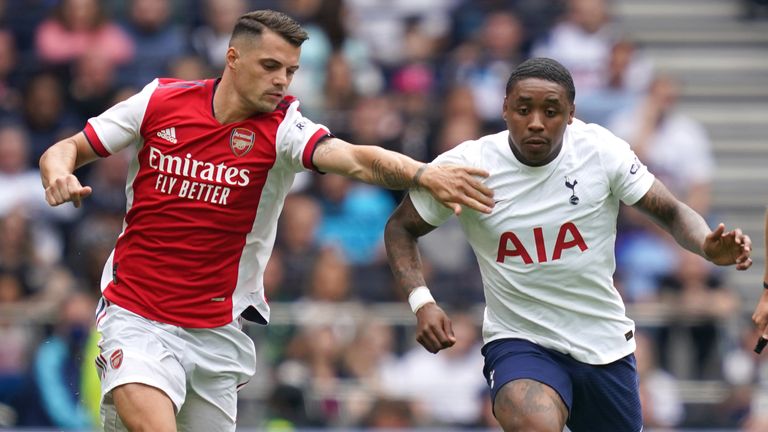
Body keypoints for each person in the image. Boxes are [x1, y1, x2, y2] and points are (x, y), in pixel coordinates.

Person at [38, 10, 495, 432]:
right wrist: (59, 173)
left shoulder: (283, 129)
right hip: (135, 313)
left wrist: (422, 172)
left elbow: (355, 159)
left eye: (291, 71)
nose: (282, 81)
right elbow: (67, 148)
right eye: (271, 66)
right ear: (233, 58)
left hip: (215, 331)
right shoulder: (159, 101)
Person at [384, 57, 752, 432]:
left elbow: (671, 211)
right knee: (535, 424)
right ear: (505, 109)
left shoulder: (600, 151)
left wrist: (706, 243)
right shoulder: (468, 167)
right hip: (520, 340)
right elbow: (400, 228)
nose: (537, 122)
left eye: (551, 111)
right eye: (523, 109)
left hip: (602, 344)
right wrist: (421, 302)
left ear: (571, 113)